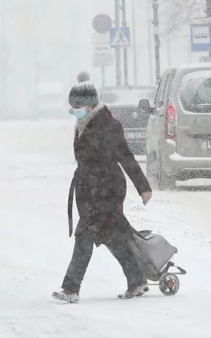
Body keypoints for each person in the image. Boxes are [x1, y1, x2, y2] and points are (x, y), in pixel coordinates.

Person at [53, 71, 153, 304]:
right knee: (113, 238)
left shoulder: (108, 125)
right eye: (72, 106)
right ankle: (137, 280)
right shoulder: (83, 123)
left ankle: (70, 289)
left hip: (106, 190)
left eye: (77, 106)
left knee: (84, 237)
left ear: (89, 105)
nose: (74, 110)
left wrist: (143, 187)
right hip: (91, 190)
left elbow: (125, 156)